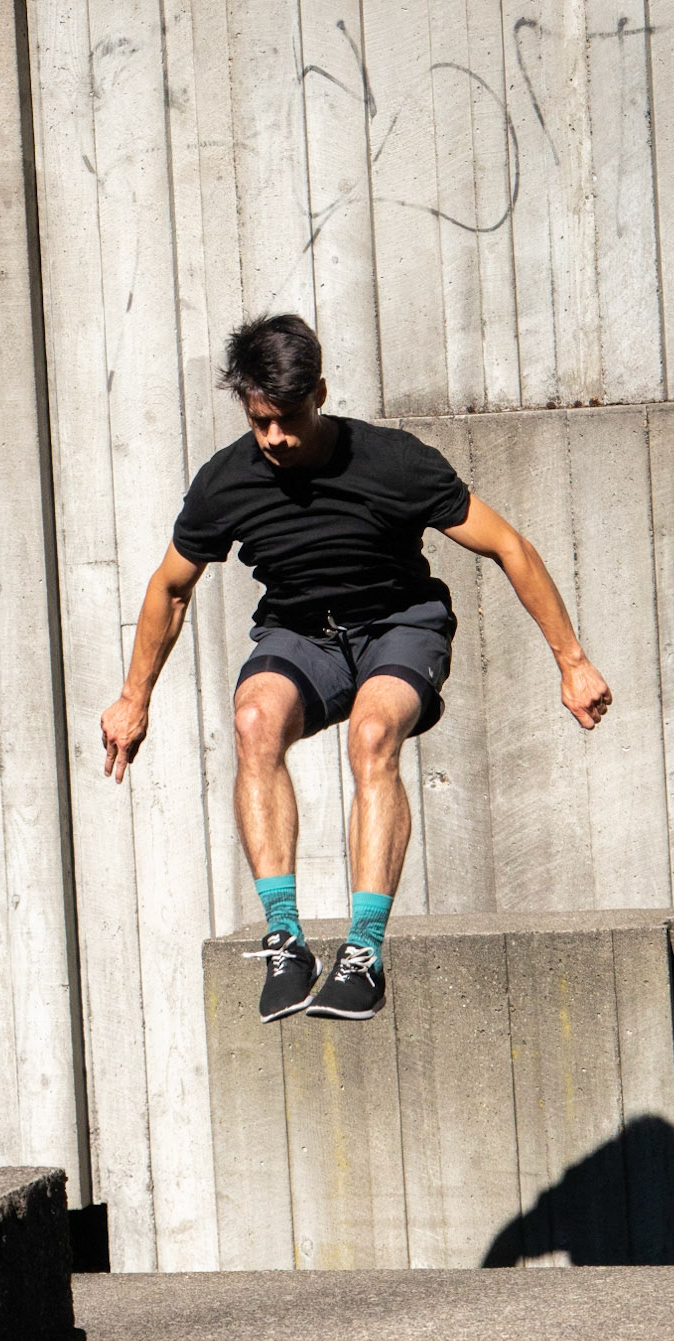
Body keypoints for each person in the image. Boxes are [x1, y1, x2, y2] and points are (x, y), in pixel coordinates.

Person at [99, 313, 612, 1022]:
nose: (274, 438)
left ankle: (363, 951)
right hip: (301, 635)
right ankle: (285, 937)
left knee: (371, 736)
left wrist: (572, 662)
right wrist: (134, 698)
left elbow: (508, 546)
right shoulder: (226, 481)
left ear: (320, 393)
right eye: (258, 422)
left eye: (286, 419)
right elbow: (171, 587)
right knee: (253, 720)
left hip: (399, 628)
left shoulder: (394, 462)